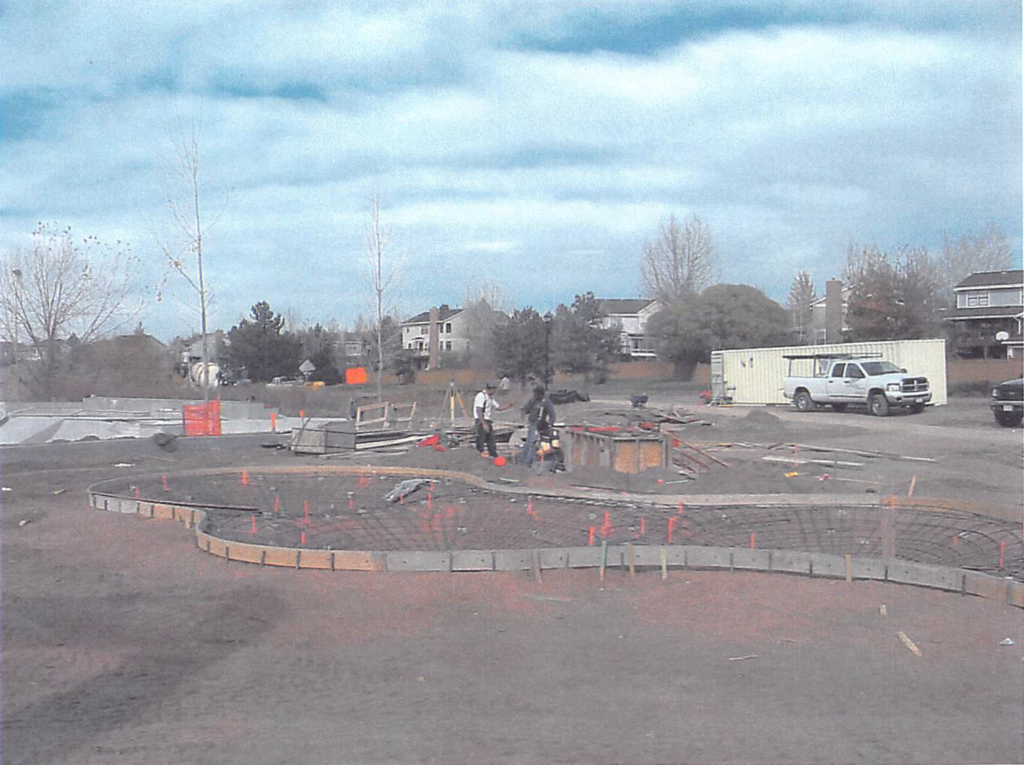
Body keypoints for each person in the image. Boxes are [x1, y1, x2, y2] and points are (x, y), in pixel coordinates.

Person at [518, 385, 556, 467]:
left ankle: (527, 464)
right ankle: (521, 463)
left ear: (541, 394)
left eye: (536, 393)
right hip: (531, 424)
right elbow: (524, 409)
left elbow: (552, 414)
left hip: (539, 425)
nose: (535, 395)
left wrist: (550, 424)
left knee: (532, 443)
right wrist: (523, 419)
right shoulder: (533, 401)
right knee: (528, 444)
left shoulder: (546, 402)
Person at [474, 382, 509, 458]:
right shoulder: (481, 396)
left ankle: (493, 455)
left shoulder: (490, 397)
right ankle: (478, 456)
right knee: (481, 440)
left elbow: (498, 407)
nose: (495, 391)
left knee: (491, 440)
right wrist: (483, 423)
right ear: (491, 389)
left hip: (488, 421)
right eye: (494, 389)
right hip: (481, 421)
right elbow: (478, 410)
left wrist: (509, 405)